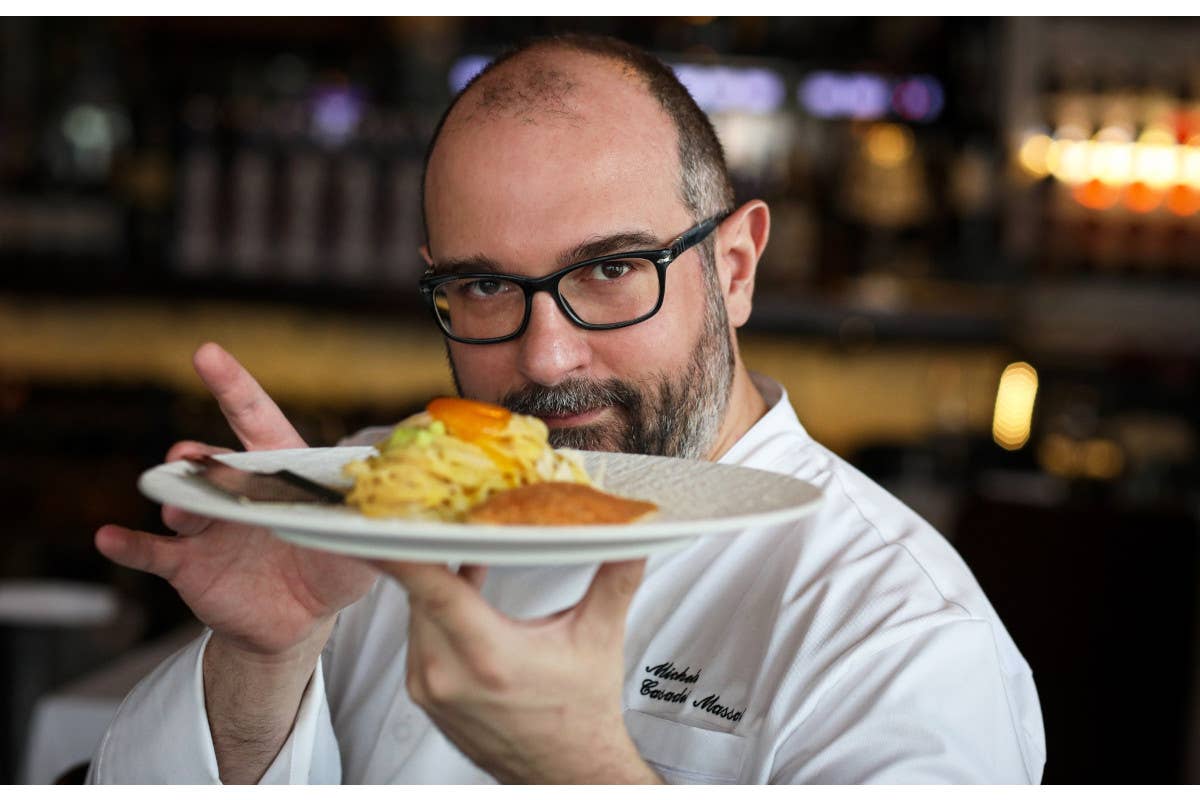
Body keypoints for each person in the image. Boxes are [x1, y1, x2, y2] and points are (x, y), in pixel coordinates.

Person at [87, 34, 1045, 784]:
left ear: (736, 268)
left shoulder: (900, 633)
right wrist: (268, 655)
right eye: (486, 288)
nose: (545, 355)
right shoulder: (372, 507)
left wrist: (586, 773)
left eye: (615, 268)